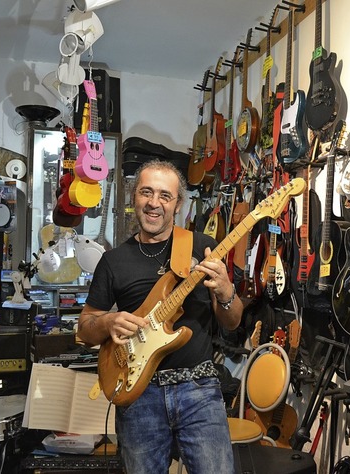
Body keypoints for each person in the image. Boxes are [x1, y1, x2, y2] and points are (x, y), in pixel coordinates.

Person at [77, 159, 242, 473]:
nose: (154, 203)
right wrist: (109, 322)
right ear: (134, 198)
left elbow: (232, 322)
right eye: (146, 193)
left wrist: (225, 292)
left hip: (199, 390)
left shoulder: (203, 248)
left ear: (178, 204)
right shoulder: (113, 261)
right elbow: (85, 330)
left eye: (165, 196)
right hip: (138, 392)